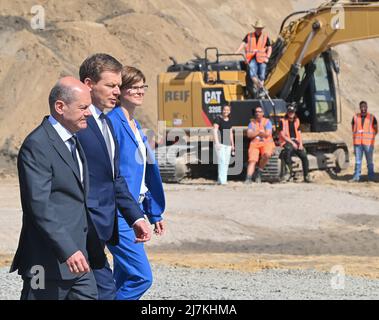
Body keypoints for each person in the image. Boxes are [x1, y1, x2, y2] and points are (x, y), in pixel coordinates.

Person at [11, 77, 106, 300]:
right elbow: (39, 205)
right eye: (83, 107)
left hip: (79, 260)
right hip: (46, 261)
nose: (90, 113)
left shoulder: (73, 140)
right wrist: (67, 249)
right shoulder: (37, 145)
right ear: (60, 107)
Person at [77, 54, 151, 300]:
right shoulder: (78, 125)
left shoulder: (105, 124)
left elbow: (115, 177)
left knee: (107, 288)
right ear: (89, 85)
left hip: (110, 220)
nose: (117, 92)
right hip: (84, 227)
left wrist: (138, 215)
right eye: (111, 86)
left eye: (119, 86)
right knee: (135, 278)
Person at [106, 66, 166, 300]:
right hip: (119, 211)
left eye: (143, 86)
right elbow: (112, 173)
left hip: (135, 209)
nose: (140, 91)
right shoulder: (111, 123)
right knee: (141, 277)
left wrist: (153, 212)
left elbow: (143, 174)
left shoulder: (135, 124)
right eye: (134, 86)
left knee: (122, 277)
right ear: (120, 90)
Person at [236, 19, 272, 96]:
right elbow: (243, 43)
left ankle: (260, 90)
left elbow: (269, 47)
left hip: (262, 59)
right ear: (255, 28)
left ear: (262, 29)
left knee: (262, 76)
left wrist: (267, 57)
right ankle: (261, 88)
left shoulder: (265, 37)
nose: (259, 29)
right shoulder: (249, 36)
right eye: (257, 28)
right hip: (251, 58)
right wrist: (237, 51)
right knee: (253, 75)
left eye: (260, 28)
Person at [279, 104, 310, 182]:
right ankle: (289, 173)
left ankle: (306, 175)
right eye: (290, 112)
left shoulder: (297, 120)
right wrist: (292, 143)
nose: (291, 113)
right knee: (287, 152)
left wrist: (301, 144)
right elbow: (282, 135)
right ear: (287, 112)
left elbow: (299, 133)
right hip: (286, 141)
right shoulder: (282, 121)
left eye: (292, 112)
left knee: (304, 156)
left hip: (295, 141)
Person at [245, 106, 275, 184]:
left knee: (267, 155)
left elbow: (267, 134)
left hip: (266, 143)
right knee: (252, 160)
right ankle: (248, 178)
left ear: (263, 113)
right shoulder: (251, 123)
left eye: (259, 111)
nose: (258, 113)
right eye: (256, 112)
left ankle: (259, 171)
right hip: (255, 144)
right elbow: (249, 134)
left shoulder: (267, 122)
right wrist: (259, 132)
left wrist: (255, 133)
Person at [350, 101, 378, 182]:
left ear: (367, 107)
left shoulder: (372, 117)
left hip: (368, 144)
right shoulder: (355, 117)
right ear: (360, 108)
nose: (363, 109)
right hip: (358, 143)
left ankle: (371, 177)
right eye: (361, 107)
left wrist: (369, 137)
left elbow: (376, 129)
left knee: (369, 161)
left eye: (364, 107)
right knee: (358, 161)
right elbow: (353, 128)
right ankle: (356, 177)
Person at [213, 105, 235, 185]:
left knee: (226, 162)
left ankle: (221, 180)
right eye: (224, 109)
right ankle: (223, 181)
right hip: (220, 144)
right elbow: (215, 131)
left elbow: (230, 133)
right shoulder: (218, 119)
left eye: (227, 110)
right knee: (222, 161)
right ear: (222, 110)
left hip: (228, 144)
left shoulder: (230, 120)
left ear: (230, 111)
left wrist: (232, 145)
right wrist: (217, 142)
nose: (226, 111)